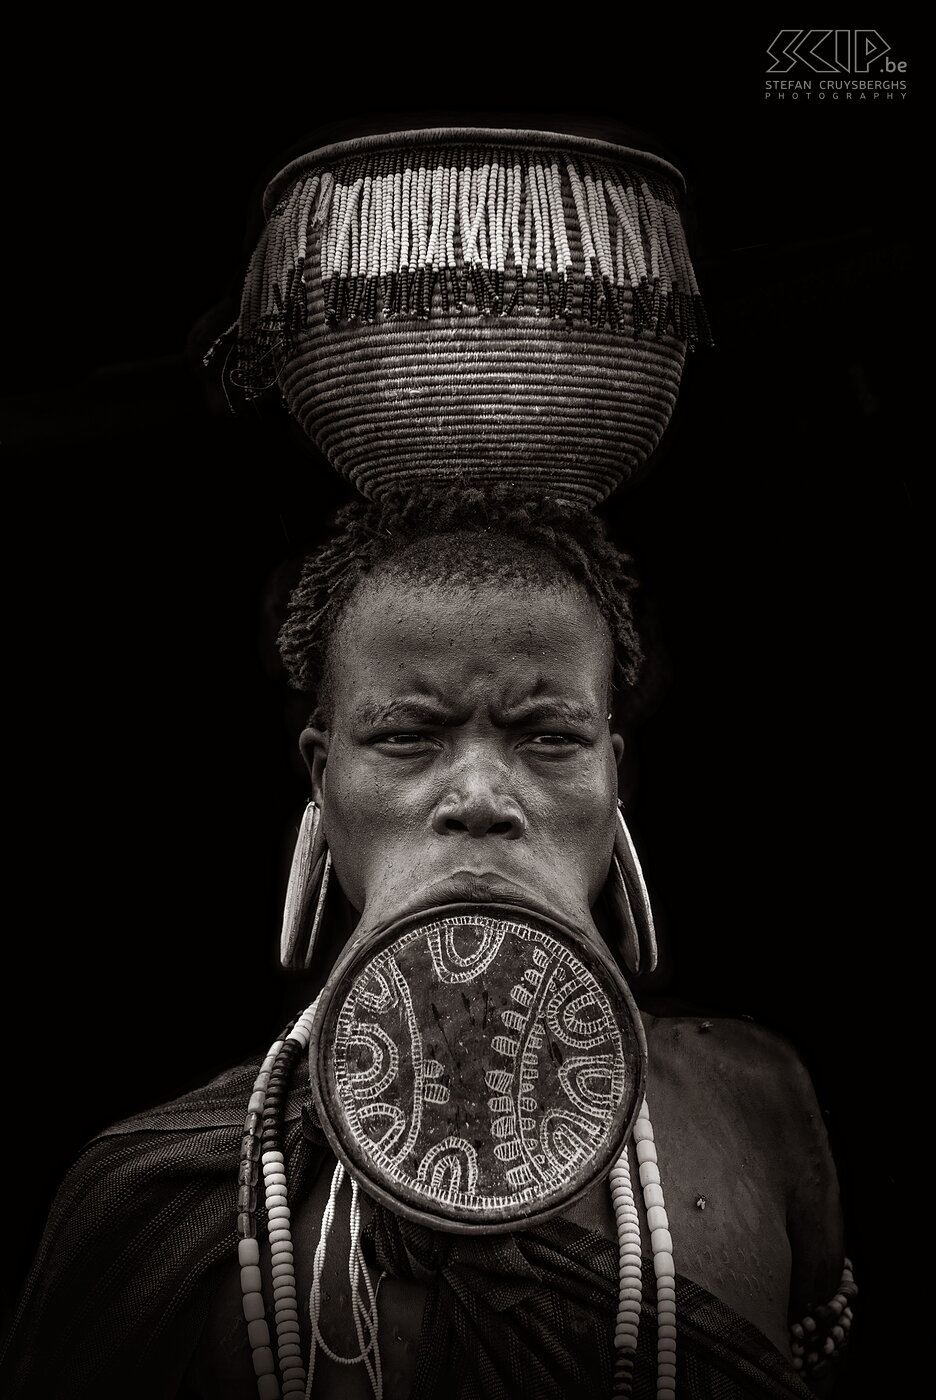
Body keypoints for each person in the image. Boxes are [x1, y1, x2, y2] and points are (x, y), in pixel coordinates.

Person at [0, 491, 853, 1399]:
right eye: (408, 736)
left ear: (613, 776)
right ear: (323, 781)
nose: (479, 795)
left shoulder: (755, 1100)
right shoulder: (151, 1203)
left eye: (550, 736)